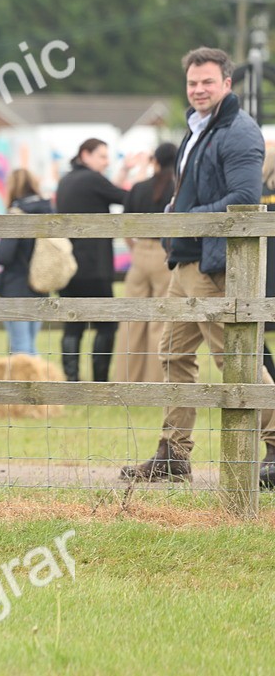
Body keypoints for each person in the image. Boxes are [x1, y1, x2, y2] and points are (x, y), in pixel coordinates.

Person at [122, 47, 275, 486]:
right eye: (192, 83)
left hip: (216, 263)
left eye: (207, 81)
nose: (199, 89)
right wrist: (178, 215)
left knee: (236, 359)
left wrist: (183, 219)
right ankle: (173, 454)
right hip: (187, 260)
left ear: (228, 83)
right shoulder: (197, 128)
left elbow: (245, 199)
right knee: (173, 353)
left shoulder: (239, 132)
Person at [54, 138, 127, 382]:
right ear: (85, 154)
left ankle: (71, 381)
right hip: (95, 266)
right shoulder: (92, 179)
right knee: (106, 324)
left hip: (68, 266)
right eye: (102, 156)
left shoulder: (66, 180)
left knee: (73, 324)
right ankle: (100, 382)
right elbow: (125, 197)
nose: (106, 163)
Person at [114, 144, 176, 383]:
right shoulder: (177, 188)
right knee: (161, 320)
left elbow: (125, 227)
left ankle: (127, 378)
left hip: (139, 253)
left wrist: (135, 249)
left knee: (132, 319)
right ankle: (157, 380)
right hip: (165, 255)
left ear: (155, 161)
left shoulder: (138, 188)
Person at [0, 169, 53, 356]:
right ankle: (38, 380)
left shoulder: (17, 213)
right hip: (41, 285)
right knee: (31, 343)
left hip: (16, 287)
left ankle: (26, 384)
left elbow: (3, 256)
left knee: (20, 347)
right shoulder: (48, 211)